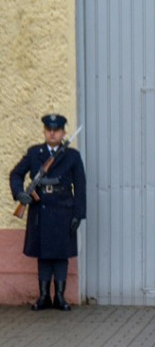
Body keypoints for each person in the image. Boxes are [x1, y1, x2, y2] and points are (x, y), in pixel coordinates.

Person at [9, 114, 86, 312]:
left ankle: (60, 297)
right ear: (44, 131)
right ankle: (43, 296)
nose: (52, 133)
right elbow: (16, 174)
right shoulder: (35, 153)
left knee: (61, 255)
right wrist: (20, 194)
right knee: (43, 255)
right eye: (49, 129)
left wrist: (78, 213)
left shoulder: (72, 156)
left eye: (56, 130)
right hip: (40, 209)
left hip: (63, 210)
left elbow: (80, 186)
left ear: (63, 133)